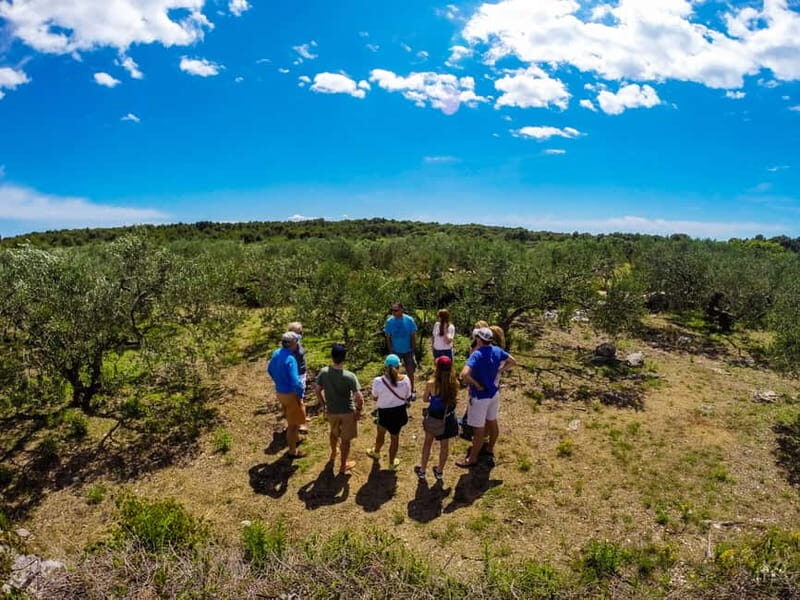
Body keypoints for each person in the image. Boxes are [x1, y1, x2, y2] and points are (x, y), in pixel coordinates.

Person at [456, 327, 517, 468]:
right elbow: (513, 361)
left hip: (480, 397)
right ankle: (489, 448)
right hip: (493, 394)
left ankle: (472, 458)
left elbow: (464, 374)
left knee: (479, 429)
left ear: (478, 338)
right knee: (492, 421)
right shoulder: (497, 350)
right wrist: (499, 370)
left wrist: (476, 384)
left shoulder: (477, 354)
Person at [314, 344, 364, 475]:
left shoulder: (324, 372)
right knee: (345, 440)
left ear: (332, 357)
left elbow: (317, 390)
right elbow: (359, 397)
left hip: (331, 410)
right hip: (347, 411)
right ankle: (343, 465)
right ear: (344, 358)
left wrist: (323, 404)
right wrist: (359, 410)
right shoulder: (350, 376)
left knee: (333, 432)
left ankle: (333, 451)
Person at [414, 355, 459, 481]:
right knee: (444, 446)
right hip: (448, 418)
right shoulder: (454, 382)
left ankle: (422, 470)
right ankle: (439, 471)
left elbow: (424, 399)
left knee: (428, 443)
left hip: (434, 417)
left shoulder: (431, 383)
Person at [367, 354, 411, 470]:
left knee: (380, 434)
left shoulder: (378, 381)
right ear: (399, 366)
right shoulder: (406, 379)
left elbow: (375, 397)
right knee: (395, 438)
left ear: (385, 366)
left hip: (384, 413)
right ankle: (391, 463)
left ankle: (376, 452)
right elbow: (408, 396)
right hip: (399, 413)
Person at [267, 331, 306, 458]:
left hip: (280, 393)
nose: (298, 343)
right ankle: (292, 451)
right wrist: (299, 394)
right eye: (297, 341)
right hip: (290, 394)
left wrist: (278, 381)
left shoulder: (276, 353)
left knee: (290, 418)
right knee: (293, 425)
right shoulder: (290, 359)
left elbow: (269, 369)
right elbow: (295, 382)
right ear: (293, 343)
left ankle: (297, 439)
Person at [384, 302, 418, 399]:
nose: (393, 312)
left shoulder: (409, 320)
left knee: (410, 371)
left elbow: (413, 335)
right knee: (393, 372)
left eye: (396, 310)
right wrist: (391, 351)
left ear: (402, 310)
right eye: (392, 310)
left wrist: (413, 348)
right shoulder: (390, 322)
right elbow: (388, 337)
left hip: (408, 350)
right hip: (395, 351)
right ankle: (395, 390)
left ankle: (411, 390)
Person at [287, 321, 309, 434]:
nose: (301, 334)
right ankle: (301, 423)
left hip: (301, 374)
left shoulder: (296, 343)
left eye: (301, 332)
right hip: (297, 376)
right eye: (298, 332)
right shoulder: (291, 348)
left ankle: (300, 418)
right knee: (298, 400)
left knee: (299, 398)